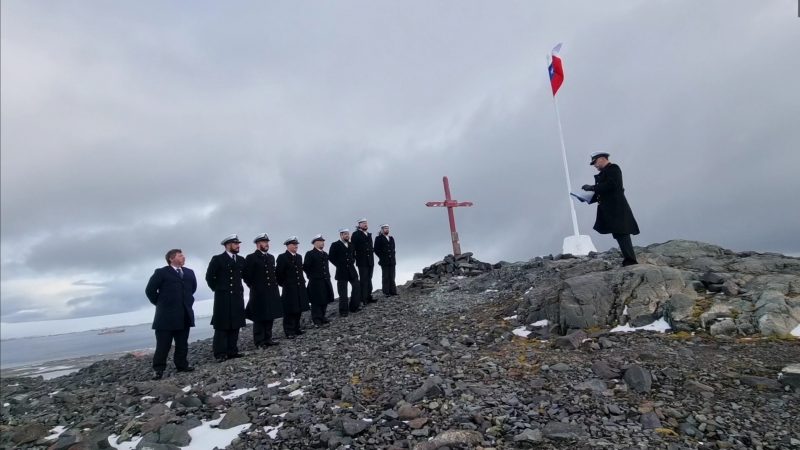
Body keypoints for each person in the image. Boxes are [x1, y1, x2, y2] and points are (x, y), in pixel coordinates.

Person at [145, 249, 197, 380]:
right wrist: (161, 303)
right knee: (163, 345)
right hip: (165, 317)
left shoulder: (189, 272)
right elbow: (150, 290)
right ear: (171, 258)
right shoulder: (161, 272)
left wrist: (187, 301)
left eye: (183, 255)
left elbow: (193, 289)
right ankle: (158, 370)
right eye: (180, 255)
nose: (183, 257)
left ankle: (182, 365)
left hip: (184, 314)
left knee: (182, 343)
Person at [582, 151, 640, 266]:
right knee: (619, 234)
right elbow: (604, 192)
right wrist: (587, 198)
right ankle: (628, 259)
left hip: (617, 208)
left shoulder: (613, 168)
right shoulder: (605, 172)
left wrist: (592, 187)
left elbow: (611, 185)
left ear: (602, 158)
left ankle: (631, 260)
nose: (595, 165)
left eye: (595, 162)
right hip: (611, 210)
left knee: (623, 233)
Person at [206, 234, 247, 362]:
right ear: (228, 245)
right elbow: (209, 277)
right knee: (222, 326)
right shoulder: (217, 259)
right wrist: (219, 289)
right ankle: (220, 354)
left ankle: (232, 351)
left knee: (235, 324)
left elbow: (245, 276)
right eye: (235, 244)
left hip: (237, 297)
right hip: (223, 298)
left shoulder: (241, 260)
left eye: (238, 244)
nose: (238, 246)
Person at [243, 233, 283, 348]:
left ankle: (268, 338)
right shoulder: (251, 257)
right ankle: (259, 341)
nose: (266, 244)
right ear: (258, 244)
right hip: (258, 293)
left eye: (267, 242)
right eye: (264, 242)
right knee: (259, 317)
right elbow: (246, 276)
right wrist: (255, 287)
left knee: (270, 315)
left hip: (272, 291)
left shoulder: (271, 257)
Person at [276, 236, 309, 338]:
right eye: (294, 244)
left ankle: (296, 328)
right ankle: (289, 331)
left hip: (299, 287)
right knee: (289, 310)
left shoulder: (299, 257)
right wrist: (285, 284)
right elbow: (278, 274)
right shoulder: (282, 257)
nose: (296, 246)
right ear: (288, 245)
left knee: (298, 308)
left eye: (296, 244)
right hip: (289, 288)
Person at [303, 234, 335, 326]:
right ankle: (317, 320)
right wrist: (311, 276)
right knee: (316, 301)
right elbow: (306, 267)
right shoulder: (310, 253)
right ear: (315, 243)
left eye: (323, 241)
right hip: (315, 281)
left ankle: (322, 317)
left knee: (325, 299)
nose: (322, 243)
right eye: (320, 241)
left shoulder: (325, 254)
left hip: (326, 280)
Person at [329, 228, 361, 315]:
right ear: (341, 235)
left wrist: (352, 261)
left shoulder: (351, 244)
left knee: (357, 287)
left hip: (352, 270)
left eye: (348, 234)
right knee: (343, 292)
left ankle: (354, 307)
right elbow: (331, 257)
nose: (347, 235)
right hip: (341, 271)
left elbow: (353, 255)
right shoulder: (335, 245)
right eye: (345, 234)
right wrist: (339, 265)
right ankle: (343, 311)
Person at [351, 218, 375, 304]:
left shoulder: (369, 234)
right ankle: (363, 299)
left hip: (370, 261)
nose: (365, 224)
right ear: (359, 225)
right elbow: (352, 248)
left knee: (369, 279)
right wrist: (354, 258)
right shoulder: (355, 234)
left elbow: (371, 247)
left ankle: (369, 297)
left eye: (366, 223)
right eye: (363, 223)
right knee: (364, 280)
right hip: (362, 261)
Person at [373, 224, 398, 296]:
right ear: (381, 230)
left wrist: (392, 256)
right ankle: (386, 292)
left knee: (392, 276)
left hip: (392, 260)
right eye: (385, 228)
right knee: (385, 276)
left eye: (387, 228)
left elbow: (393, 249)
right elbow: (376, 250)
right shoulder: (378, 238)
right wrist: (382, 257)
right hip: (384, 261)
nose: (387, 229)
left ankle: (393, 291)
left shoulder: (391, 238)